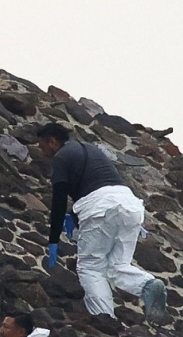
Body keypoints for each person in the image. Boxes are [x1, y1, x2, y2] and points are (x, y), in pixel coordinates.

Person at [35, 122, 168, 322]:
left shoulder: (61, 156)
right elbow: (96, 183)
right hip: (129, 205)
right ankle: (148, 284)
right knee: (117, 265)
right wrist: (74, 215)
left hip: (100, 207)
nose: (42, 151)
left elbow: (59, 198)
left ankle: (104, 318)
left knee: (90, 267)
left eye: (42, 146)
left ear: (52, 141)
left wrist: (53, 239)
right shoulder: (91, 150)